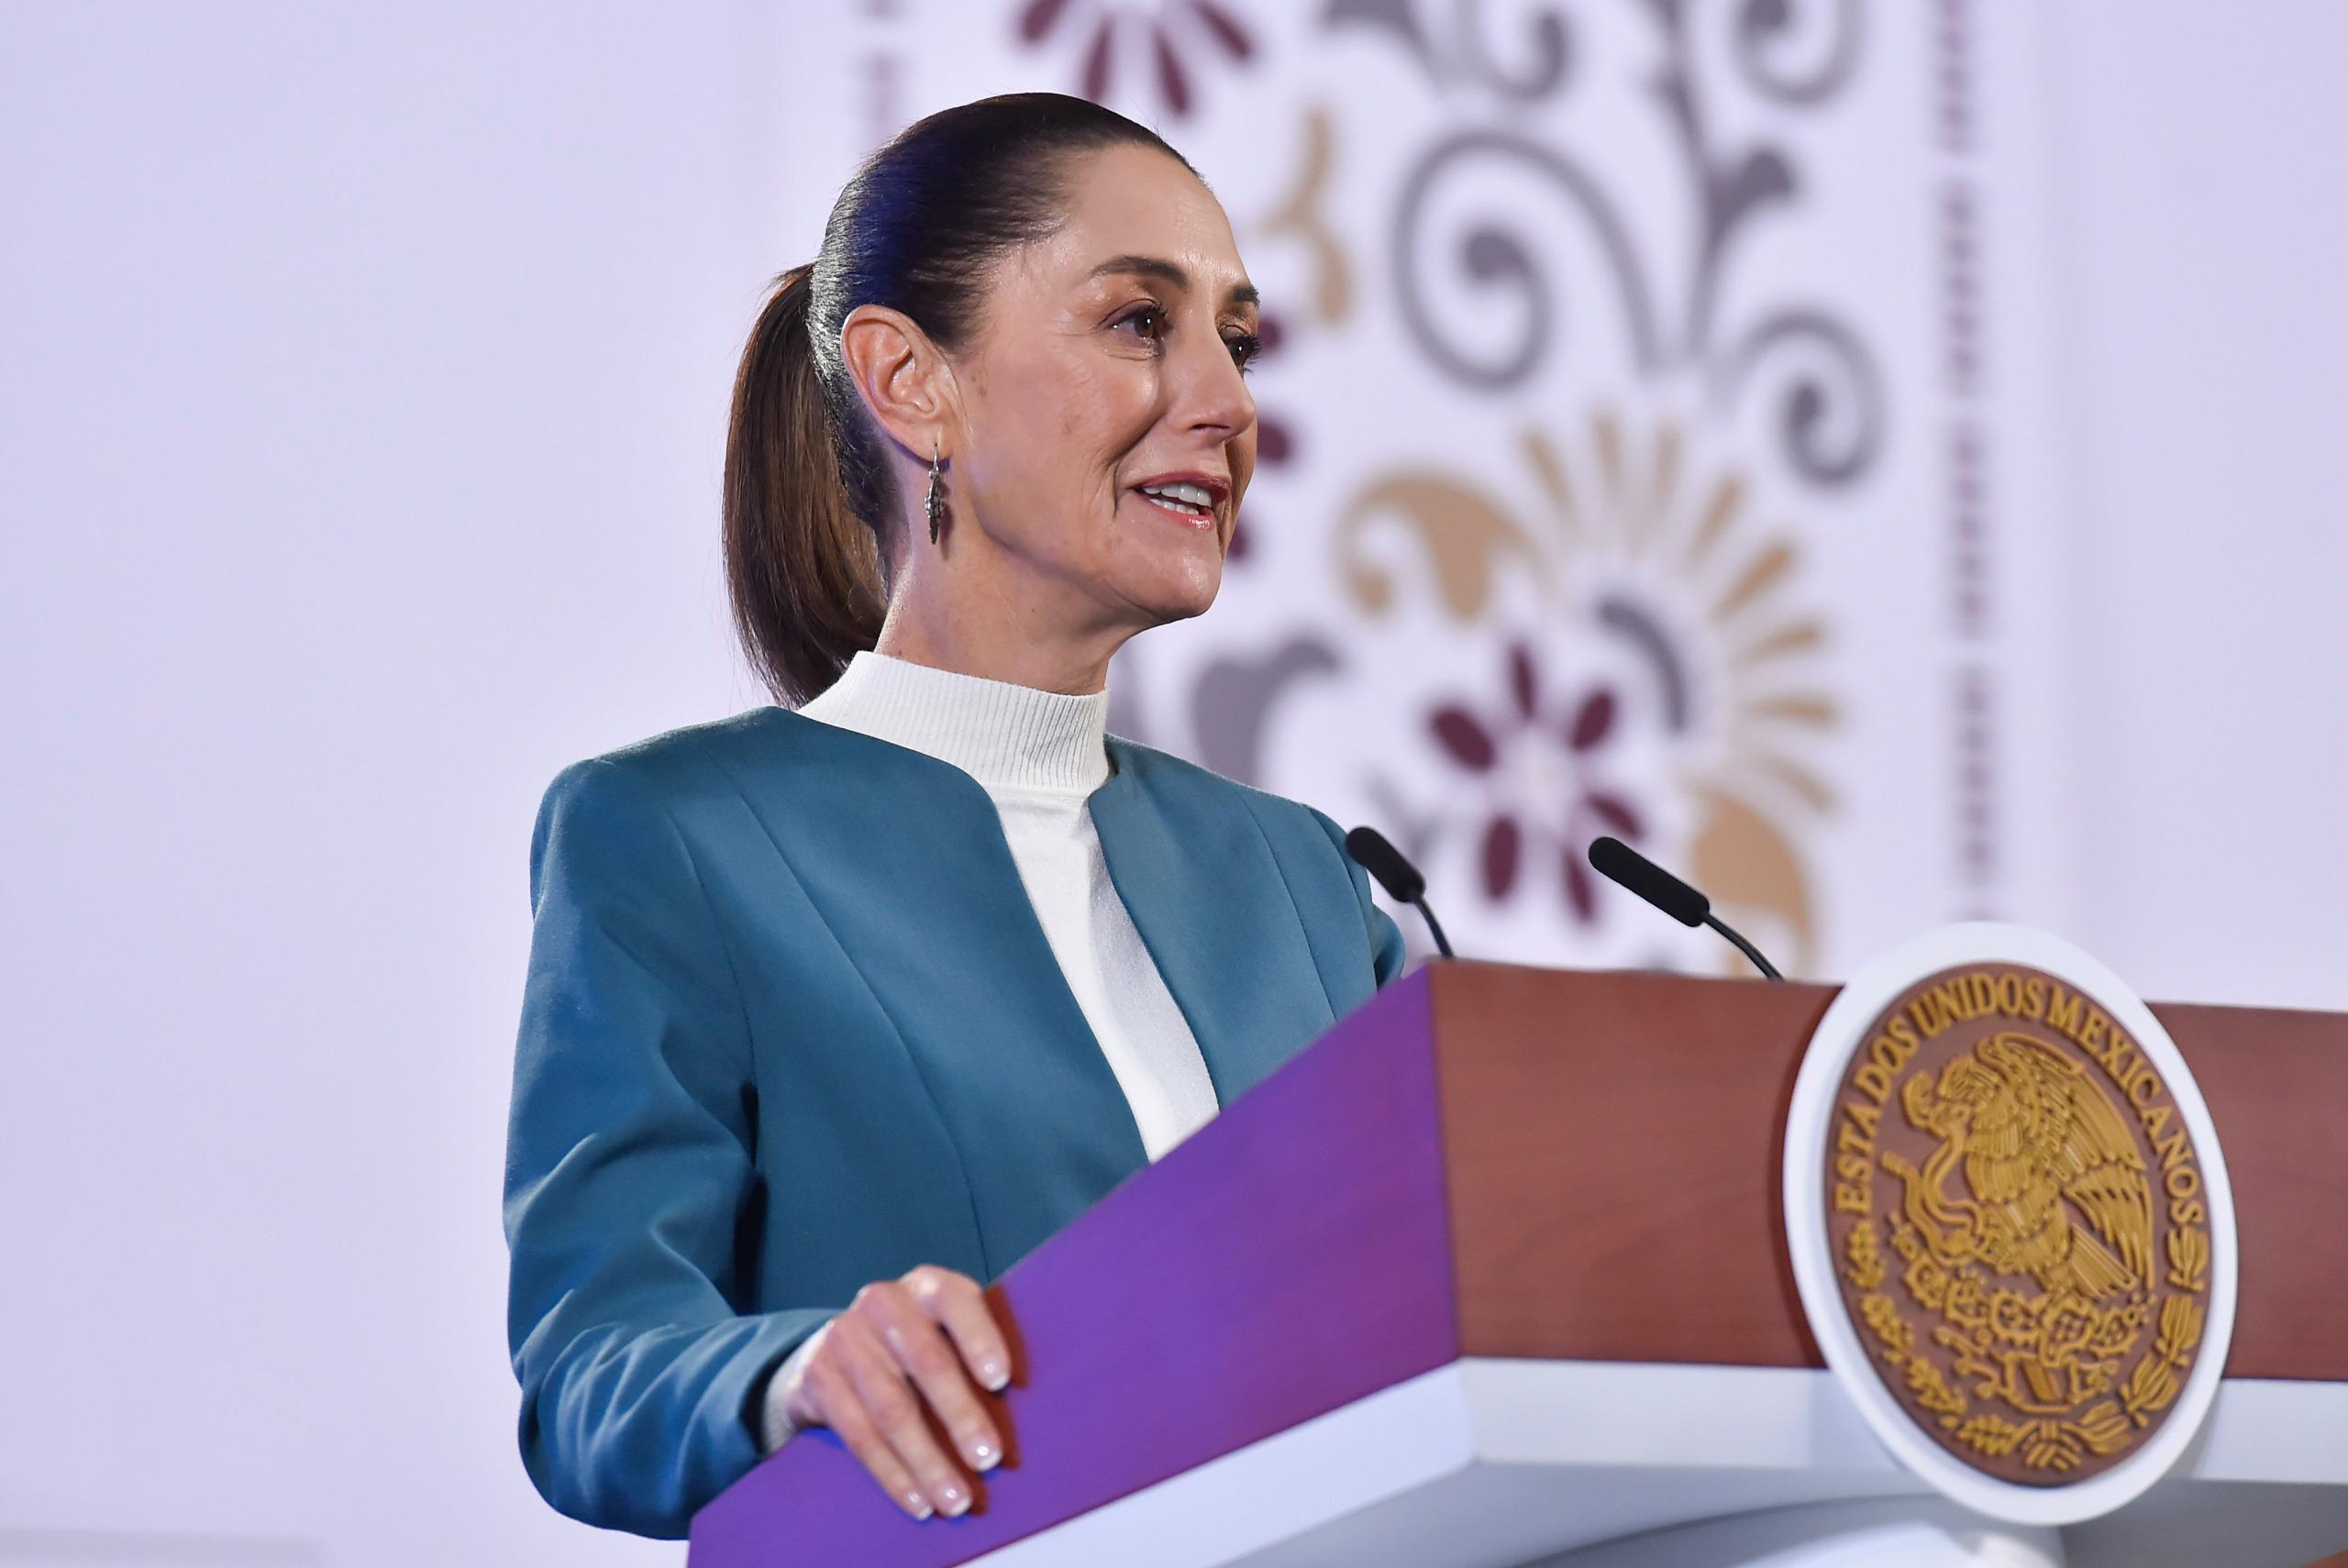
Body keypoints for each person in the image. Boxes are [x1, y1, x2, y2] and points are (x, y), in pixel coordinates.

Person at [502, 92, 1409, 1540]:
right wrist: (799, 1372)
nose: (1229, 404)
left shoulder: (1301, 877)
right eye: (1139, 323)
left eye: (1236, 343)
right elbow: (593, 1363)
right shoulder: (670, 837)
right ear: (911, 382)